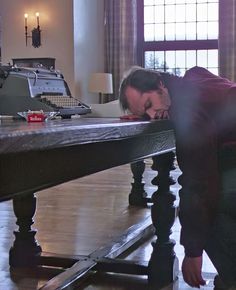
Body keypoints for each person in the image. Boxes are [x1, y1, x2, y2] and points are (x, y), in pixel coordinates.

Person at [119, 66, 236, 289]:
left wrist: (192, 252)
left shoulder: (186, 110)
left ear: (160, 85)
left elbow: (198, 182)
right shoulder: (194, 80)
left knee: (203, 211)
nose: (153, 115)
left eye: (149, 104)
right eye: (145, 113)